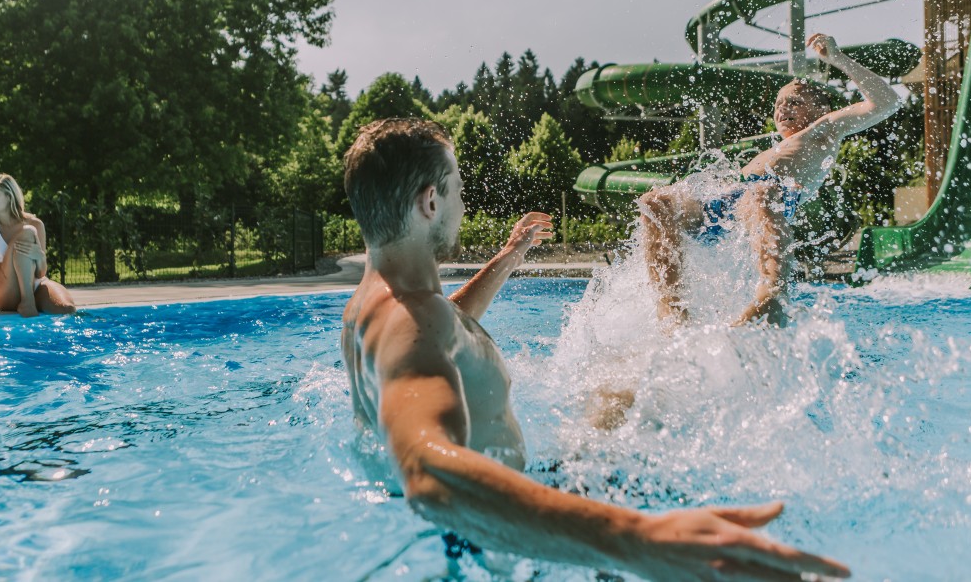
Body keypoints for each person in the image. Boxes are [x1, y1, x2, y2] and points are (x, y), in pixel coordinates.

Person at [340, 118, 850, 579]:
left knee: (622, 389)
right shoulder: (413, 323)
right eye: (457, 191)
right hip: (505, 546)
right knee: (651, 407)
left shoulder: (380, 307)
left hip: (486, 534)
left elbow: (444, 325)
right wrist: (637, 540)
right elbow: (428, 475)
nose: (464, 204)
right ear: (431, 203)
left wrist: (509, 257)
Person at [640, 33, 903, 326]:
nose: (781, 109)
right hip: (730, 206)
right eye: (778, 104)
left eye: (793, 102)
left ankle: (772, 297)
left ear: (820, 109)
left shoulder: (823, 129)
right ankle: (673, 308)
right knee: (656, 202)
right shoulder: (773, 148)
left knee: (762, 191)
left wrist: (838, 59)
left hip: (769, 199)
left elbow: (887, 102)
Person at [0, 173, 76, 317]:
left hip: (36, 285)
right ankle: (28, 302)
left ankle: (29, 300)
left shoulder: (36, 224)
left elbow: (40, 273)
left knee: (66, 309)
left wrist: (40, 257)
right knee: (28, 232)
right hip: (6, 292)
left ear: (9, 196)